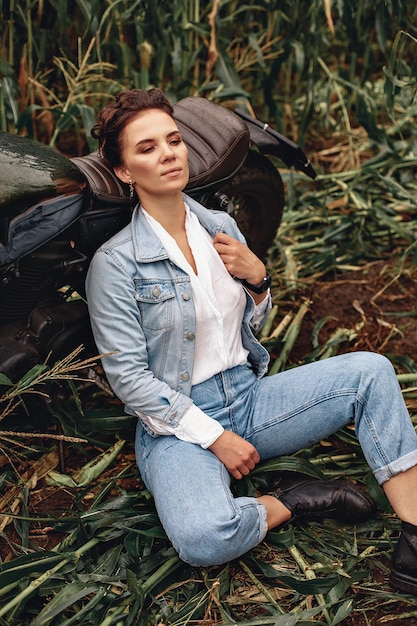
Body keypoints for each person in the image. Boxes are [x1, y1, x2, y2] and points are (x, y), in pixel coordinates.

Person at [86, 88, 417, 595]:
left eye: (173, 140)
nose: (168, 153)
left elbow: (245, 330)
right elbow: (128, 379)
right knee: (202, 537)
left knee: (371, 371)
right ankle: (298, 499)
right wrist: (213, 436)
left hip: (250, 398)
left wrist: (260, 282)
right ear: (126, 171)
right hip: (177, 426)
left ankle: (415, 537)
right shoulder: (115, 265)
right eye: (146, 148)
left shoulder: (219, 227)